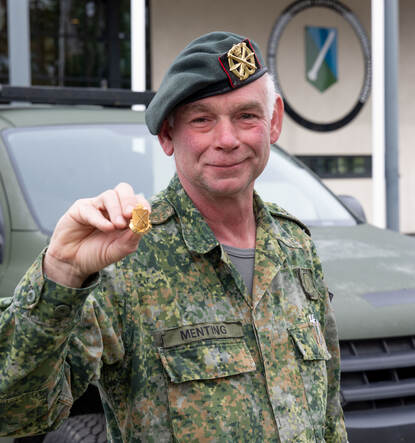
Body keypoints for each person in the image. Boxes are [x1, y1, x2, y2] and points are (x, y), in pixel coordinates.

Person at [0, 32, 347, 442]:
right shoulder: (125, 255)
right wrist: (60, 273)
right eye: (202, 120)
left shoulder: (295, 247)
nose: (227, 139)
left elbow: (327, 413)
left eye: (246, 116)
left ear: (273, 121)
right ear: (167, 135)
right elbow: (15, 411)